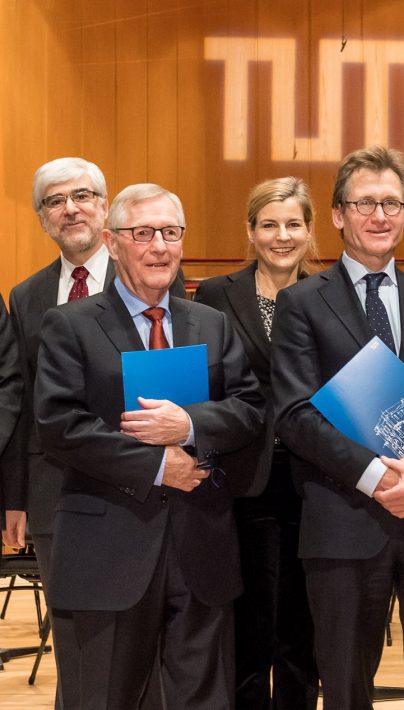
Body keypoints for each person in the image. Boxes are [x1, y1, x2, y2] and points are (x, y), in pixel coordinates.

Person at [34, 183, 264, 707]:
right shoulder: (70, 325)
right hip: (108, 550)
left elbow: (250, 410)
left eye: (170, 232)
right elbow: (59, 424)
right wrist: (159, 465)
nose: (159, 246)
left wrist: (188, 425)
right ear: (113, 244)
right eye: (143, 233)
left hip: (200, 546)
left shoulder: (212, 322)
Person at [271, 145, 404, 710]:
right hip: (343, 521)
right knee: (344, 688)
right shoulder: (302, 304)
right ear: (338, 215)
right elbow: (294, 414)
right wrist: (375, 476)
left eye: (392, 203)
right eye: (364, 202)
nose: (380, 215)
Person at [2, 157, 184, 709]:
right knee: (82, 652)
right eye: (55, 201)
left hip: (145, 488)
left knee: (150, 647)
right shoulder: (26, 296)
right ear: (41, 219)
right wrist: (13, 499)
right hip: (57, 494)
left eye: (82, 195)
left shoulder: (152, 270)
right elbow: (23, 398)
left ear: (106, 210)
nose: (70, 208)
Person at [194, 177, 320, 710]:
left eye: (293, 224)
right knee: (249, 623)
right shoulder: (218, 294)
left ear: (311, 231)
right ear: (250, 232)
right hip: (244, 478)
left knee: (303, 622)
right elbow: (208, 383)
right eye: (269, 225)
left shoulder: (327, 295)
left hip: (316, 479)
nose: (282, 236)